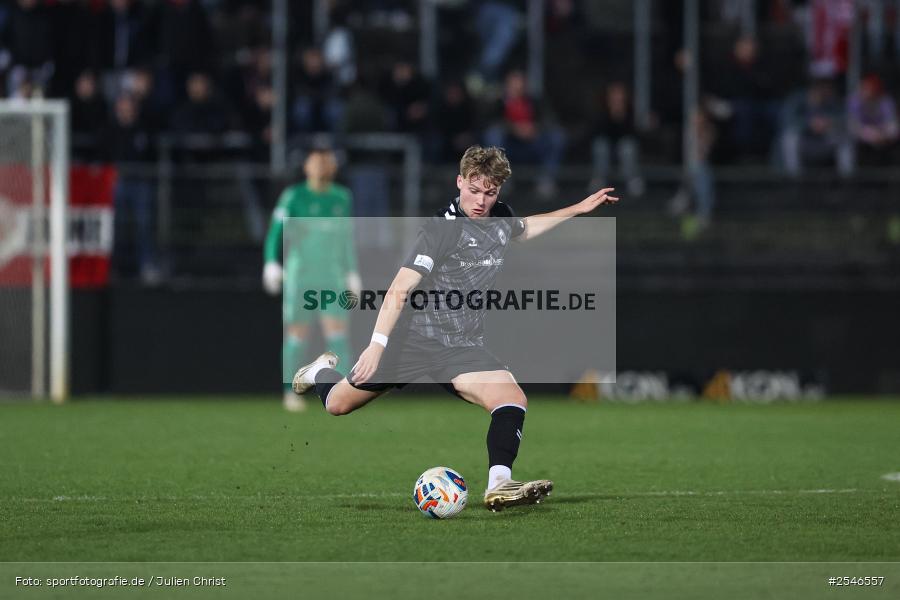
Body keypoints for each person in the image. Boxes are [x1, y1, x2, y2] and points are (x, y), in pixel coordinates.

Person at [290, 145, 619, 511]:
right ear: (459, 182)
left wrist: (578, 209)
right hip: (410, 342)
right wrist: (377, 345)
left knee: (511, 399)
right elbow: (400, 288)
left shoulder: (499, 218)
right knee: (337, 404)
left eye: (490, 193)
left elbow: (524, 228)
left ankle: (499, 484)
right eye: (474, 190)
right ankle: (320, 370)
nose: (480, 200)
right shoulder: (441, 230)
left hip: (461, 346)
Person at [263, 148, 360, 412]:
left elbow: (346, 238)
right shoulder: (294, 196)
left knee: (338, 335)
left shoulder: (341, 197)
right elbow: (275, 232)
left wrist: (352, 271)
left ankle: (344, 392)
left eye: (326, 161)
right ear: (306, 166)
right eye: (316, 160)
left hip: (332, 277)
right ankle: (289, 391)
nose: (321, 166)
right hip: (301, 276)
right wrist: (272, 262)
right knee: (297, 336)